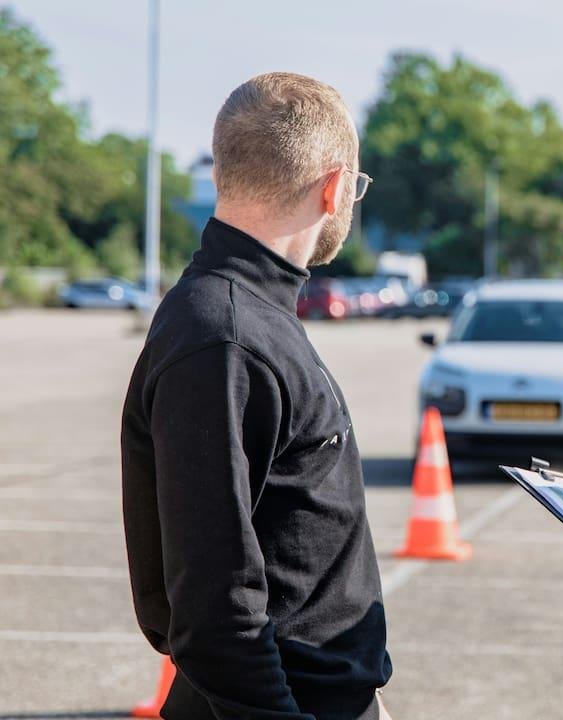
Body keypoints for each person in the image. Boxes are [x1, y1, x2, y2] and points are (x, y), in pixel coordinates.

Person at [121, 72, 392, 720]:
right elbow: (216, 610)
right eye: (353, 187)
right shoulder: (225, 337)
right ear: (332, 188)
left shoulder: (247, 318)